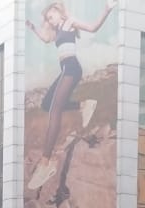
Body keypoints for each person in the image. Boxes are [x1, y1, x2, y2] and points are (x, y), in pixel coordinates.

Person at [24, 0, 118, 192]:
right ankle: (83, 105)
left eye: (51, 16)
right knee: (47, 103)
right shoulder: (56, 32)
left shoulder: (69, 23)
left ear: (59, 13)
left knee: (55, 110)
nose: (50, 21)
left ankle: (46, 162)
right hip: (65, 70)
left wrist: (107, 10)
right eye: (48, 19)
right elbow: (45, 38)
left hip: (72, 69)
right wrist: (33, 27)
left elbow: (92, 28)